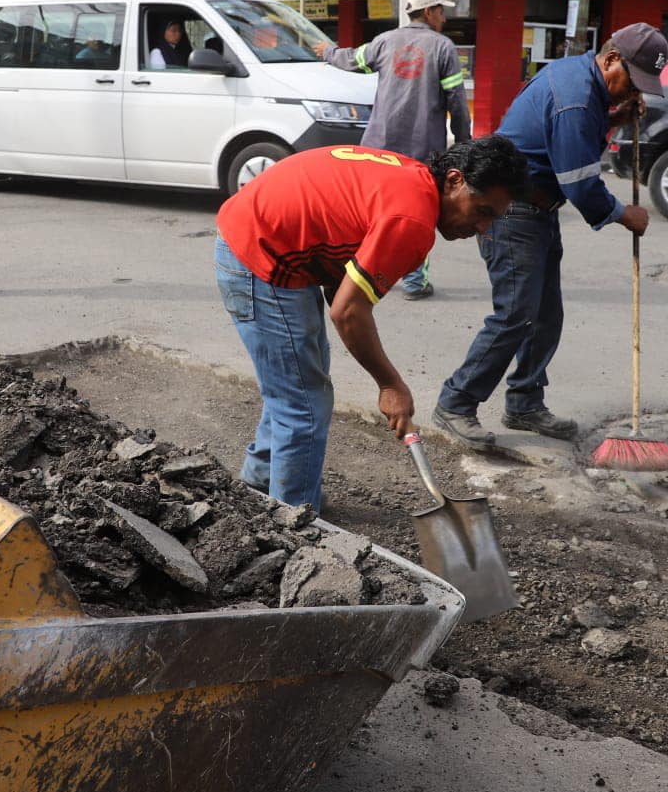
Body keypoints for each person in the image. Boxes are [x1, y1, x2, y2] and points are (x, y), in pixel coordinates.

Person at [215, 136, 528, 512]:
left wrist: (376, 363)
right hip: (260, 254)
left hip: (269, 242)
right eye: (482, 211)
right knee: (303, 404)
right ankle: (292, 526)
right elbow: (348, 312)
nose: (482, 227)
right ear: (454, 180)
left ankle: (261, 487)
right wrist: (390, 384)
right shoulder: (411, 220)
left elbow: (343, 288)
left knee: (299, 384)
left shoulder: (415, 182)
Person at [435, 23, 662, 448]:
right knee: (516, 314)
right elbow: (578, 180)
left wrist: (618, 113)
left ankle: (524, 402)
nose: (632, 91)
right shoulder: (576, 99)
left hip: (536, 208)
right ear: (611, 59)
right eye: (632, 81)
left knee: (545, 314)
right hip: (510, 209)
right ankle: (456, 402)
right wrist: (621, 213)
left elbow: (563, 144)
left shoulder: (582, 79)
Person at [319, 0, 472, 300]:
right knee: (420, 212)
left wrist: (328, 51)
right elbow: (456, 101)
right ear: (428, 13)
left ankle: (353, 273)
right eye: (441, 11)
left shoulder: (385, 41)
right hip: (421, 151)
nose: (443, 17)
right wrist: (464, 144)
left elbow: (351, 60)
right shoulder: (442, 46)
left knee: (368, 209)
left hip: (377, 147)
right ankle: (414, 283)